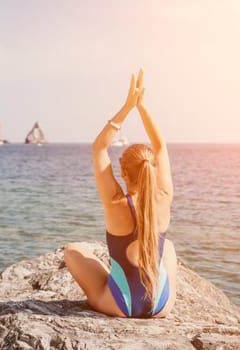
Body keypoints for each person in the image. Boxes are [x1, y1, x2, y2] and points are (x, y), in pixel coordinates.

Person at [64, 69, 177, 318]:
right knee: (167, 247)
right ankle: (162, 297)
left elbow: (99, 147)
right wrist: (142, 107)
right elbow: (160, 146)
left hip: (121, 305)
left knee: (72, 250)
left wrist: (127, 106)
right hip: (161, 305)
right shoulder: (165, 195)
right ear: (152, 170)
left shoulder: (115, 202)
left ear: (123, 174)